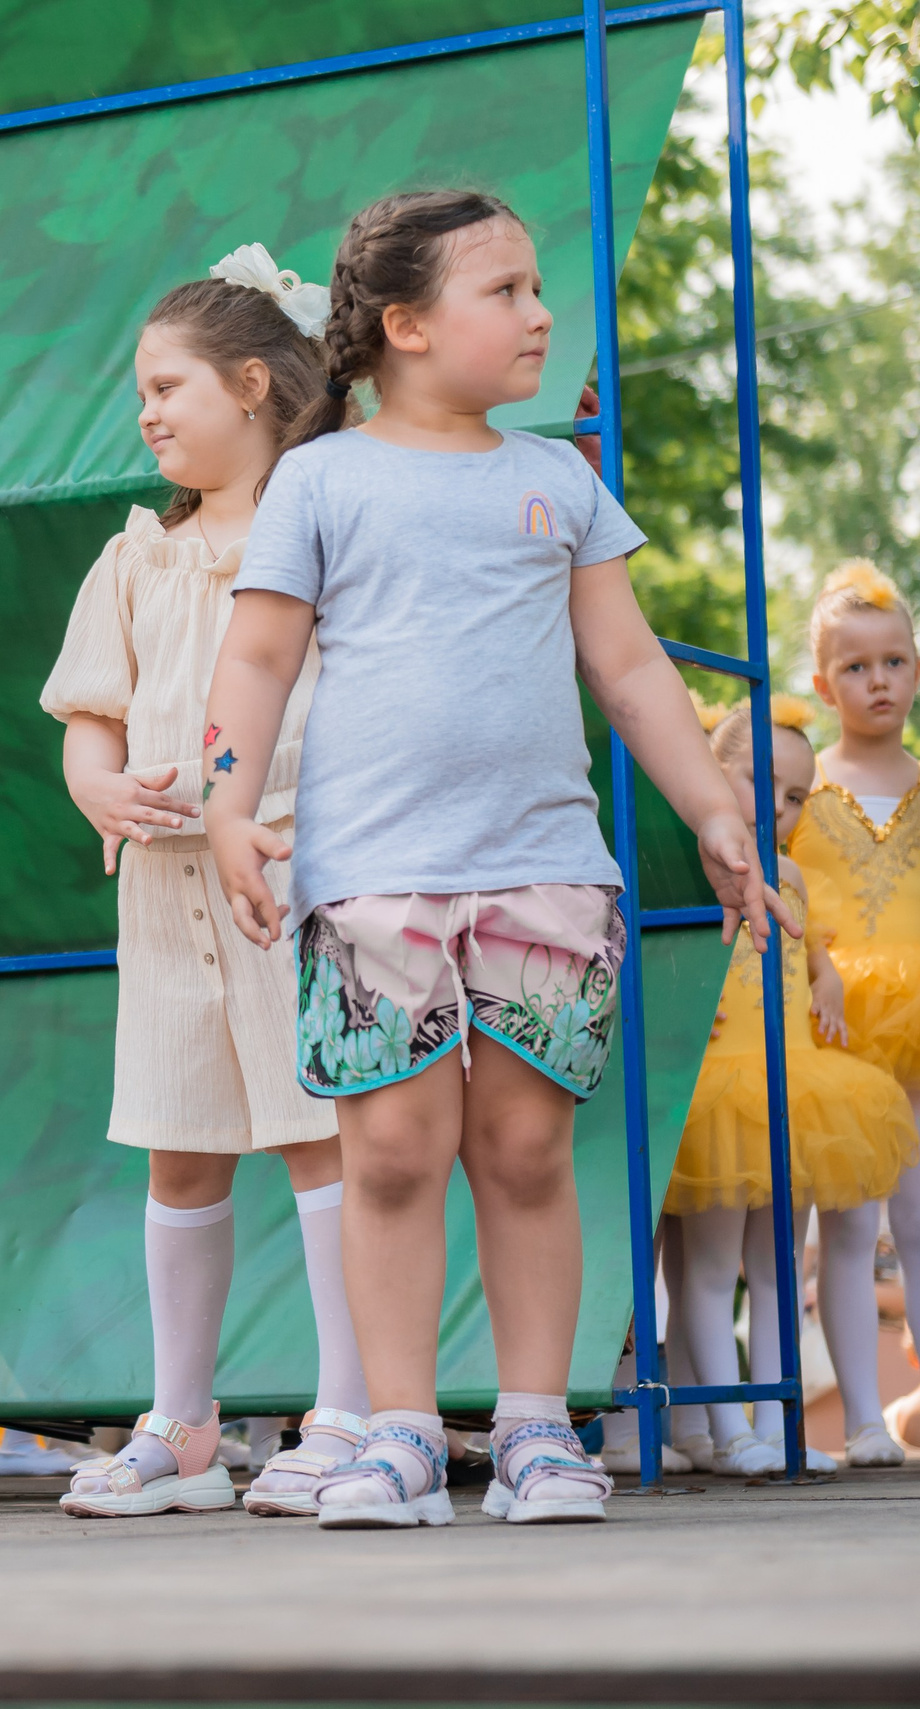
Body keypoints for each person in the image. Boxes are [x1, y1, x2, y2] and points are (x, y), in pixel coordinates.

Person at [203, 189, 781, 1529]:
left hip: (544, 872)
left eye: (536, 288)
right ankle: (397, 1433)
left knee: (525, 1149)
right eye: (506, 291)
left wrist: (712, 807)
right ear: (404, 323)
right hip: (369, 879)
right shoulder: (322, 475)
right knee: (392, 1151)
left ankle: (535, 1428)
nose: (539, 315)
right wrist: (227, 807)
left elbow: (631, 668)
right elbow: (258, 656)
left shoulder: (557, 480)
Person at [43, 246, 370, 1520]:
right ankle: (182, 1425)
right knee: (178, 1151)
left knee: (316, 1129)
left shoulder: (322, 531)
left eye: (167, 384)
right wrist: (97, 783)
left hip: (289, 874)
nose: (148, 411)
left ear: (251, 385)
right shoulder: (134, 556)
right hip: (161, 891)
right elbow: (86, 711)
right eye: (140, 393)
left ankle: (346, 1402)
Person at [665, 699, 917, 1474]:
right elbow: (662, 962)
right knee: (707, 1271)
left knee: (779, 1266)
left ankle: (777, 1430)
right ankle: (726, 1427)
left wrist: (829, 980)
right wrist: (681, 1009)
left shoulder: (795, 877)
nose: (777, 806)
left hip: (789, 1090)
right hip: (717, 1094)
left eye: (796, 795)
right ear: (712, 771)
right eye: (760, 782)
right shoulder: (691, 872)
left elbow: (809, 958)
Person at [791, 557, 920, 1468]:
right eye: (857, 666)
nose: (879, 681)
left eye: (896, 661)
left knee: (918, 1212)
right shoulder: (807, 791)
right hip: (834, 1029)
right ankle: (863, 1418)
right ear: (822, 681)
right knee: (838, 1219)